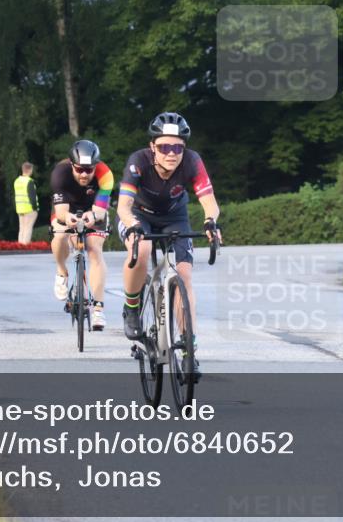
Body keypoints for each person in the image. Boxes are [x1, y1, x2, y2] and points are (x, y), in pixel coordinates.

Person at [116, 112, 222, 377]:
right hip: (139, 216)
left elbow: (209, 201)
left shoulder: (192, 161)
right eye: (164, 147)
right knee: (141, 250)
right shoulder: (138, 161)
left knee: (184, 276)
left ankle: (188, 349)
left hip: (175, 217)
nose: (171, 153)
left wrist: (211, 222)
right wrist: (132, 225)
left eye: (177, 147)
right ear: (153, 147)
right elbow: (123, 206)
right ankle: (131, 306)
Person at [50, 139, 114, 331]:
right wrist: (68, 218)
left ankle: (98, 309)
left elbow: (101, 211)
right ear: (72, 165)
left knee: (94, 250)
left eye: (89, 169)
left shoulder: (105, 175)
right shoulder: (60, 174)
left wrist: (93, 216)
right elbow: (60, 212)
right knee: (60, 235)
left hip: (92, 210)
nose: (84, 174)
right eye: (79, 170)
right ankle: (62, 271)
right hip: (67, 209)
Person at [13, 162, 39, 244]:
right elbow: (32, 196)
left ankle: (20, 245)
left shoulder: (17, 181)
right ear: (30, 170)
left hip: (20, 208)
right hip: (29, 208)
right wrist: (35, 207)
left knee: (22, 228)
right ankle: (26, 245)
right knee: (28, 227)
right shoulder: (29, 181)